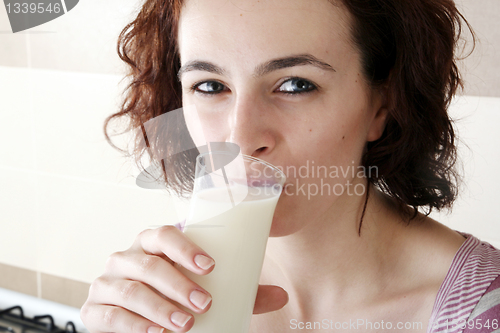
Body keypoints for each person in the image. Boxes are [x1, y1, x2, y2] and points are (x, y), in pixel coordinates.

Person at [81, 0, 500, 332]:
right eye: (209, 86)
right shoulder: (166, 291)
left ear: (382, 104)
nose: (241, 139)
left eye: (296, 85)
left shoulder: (482, 312)